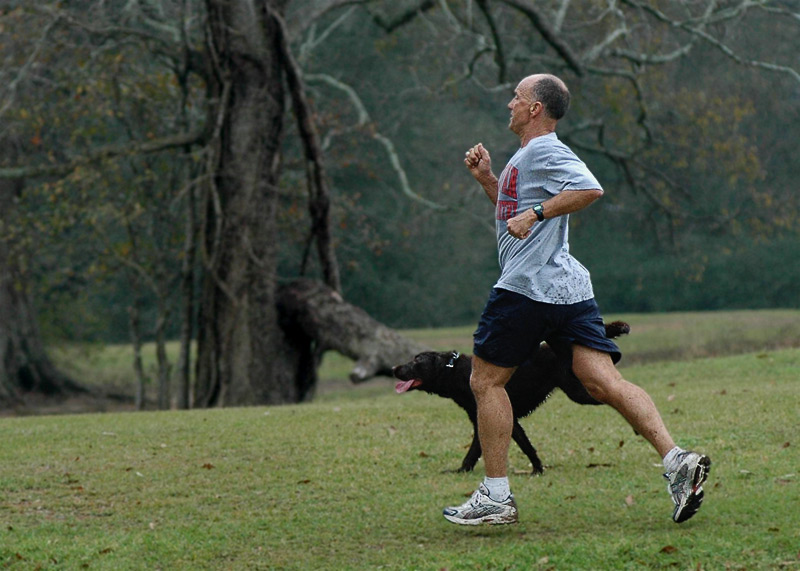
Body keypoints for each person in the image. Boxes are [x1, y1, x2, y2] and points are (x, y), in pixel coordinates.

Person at [443, 73, 711, 526]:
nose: (510, 103)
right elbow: (513, 216)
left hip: (528, 288)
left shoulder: (545, 148)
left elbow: (590, 188)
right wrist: (488, 179)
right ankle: (677, 461)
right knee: (601, 381)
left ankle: (496, 495)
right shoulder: (526, 157)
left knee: (485, 382)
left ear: (535, 109)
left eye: (517, 98)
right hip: (568, 289)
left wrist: (537, 211)